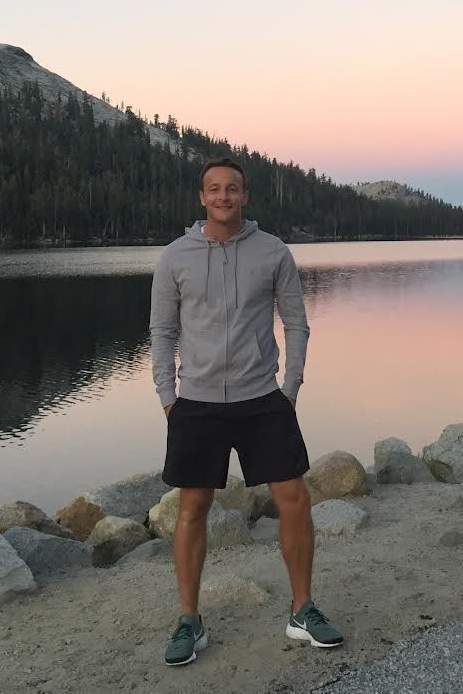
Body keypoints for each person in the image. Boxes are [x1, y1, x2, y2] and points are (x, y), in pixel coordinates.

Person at [149, 157, 343, 666]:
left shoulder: (272, 251)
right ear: (202, 197)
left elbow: (296, 323)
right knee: (192, 507)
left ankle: (302, 610)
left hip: (262, 398)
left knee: (294, 498)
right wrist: (168, 396)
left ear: (245, 195)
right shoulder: (175, 257)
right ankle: (189, 620)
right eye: (214, 189)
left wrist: (290, 388)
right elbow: (162, 331)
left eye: (232, 188)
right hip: (197, 401)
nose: (223, 197)